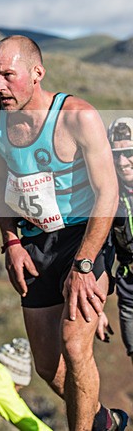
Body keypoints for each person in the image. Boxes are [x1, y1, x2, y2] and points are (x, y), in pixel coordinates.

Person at [0, 35, 128, 431]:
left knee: (75, 346)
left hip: (85, 238)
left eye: (8, 75)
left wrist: (84, 264)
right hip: (35, 241)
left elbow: (107, 193)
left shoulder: (78, 116)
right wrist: (10, 240)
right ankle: (103, 421)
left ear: (37, 73)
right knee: (47, 365)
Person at [103, 117, 133, 367]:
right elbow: (98, 249)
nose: (122, 162)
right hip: (129, 291)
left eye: (129, 153)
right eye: (116, 154)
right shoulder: (106, 194)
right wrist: (96, 309)